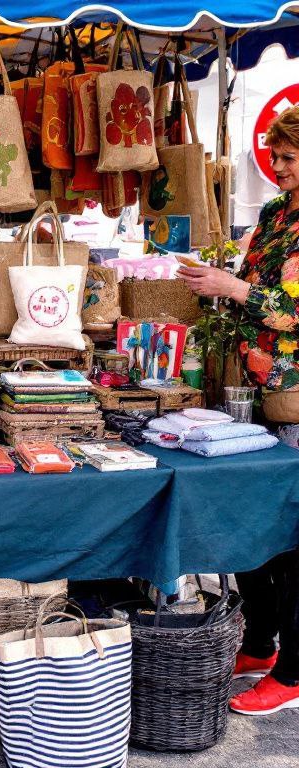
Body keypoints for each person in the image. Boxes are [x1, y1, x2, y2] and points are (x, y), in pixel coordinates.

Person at [180, 104, 299, 716]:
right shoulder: (277, 214)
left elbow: (291, 311)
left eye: (289, 157)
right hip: (253, 386)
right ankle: (259, 643)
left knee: (295, 536)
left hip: (294, 393)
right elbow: (256, 288)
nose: (277, 166)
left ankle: (293, 671)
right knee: (253, 521)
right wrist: (221, 279)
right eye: (274, 156)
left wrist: (235, 288)